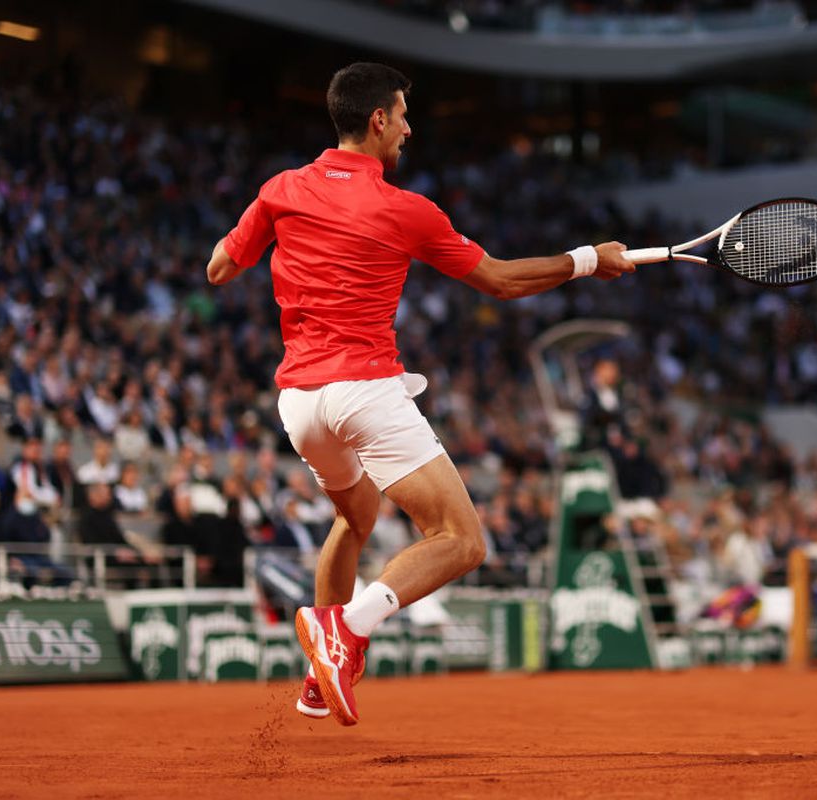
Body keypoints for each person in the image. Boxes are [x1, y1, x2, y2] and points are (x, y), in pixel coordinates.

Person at [207, 62, 633, 726]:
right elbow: (500, 281)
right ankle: (348, 627)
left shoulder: (281, 188)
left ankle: (321, 673)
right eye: (403, 116)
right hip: (363, 392)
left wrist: (272, 230)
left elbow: (219, 268)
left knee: (355, 518)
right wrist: (587, 259)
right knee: (461, 540)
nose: (408, 129)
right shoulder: (406, 210)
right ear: (378, 119)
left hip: (299, 405)